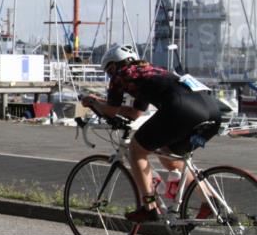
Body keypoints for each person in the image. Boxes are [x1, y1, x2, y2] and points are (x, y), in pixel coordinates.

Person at [80, 44, 222, 222]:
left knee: (136, 150)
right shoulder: (150, 72)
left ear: (115, 65)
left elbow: (110, 111)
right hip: (212, 112)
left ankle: (149, 207)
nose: (110, 75)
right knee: (168, 154)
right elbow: (135, 113)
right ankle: (209, 201)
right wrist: (101, 102)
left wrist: (92, 102)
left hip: (181, 109)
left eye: (109, 70)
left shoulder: (121, 75)